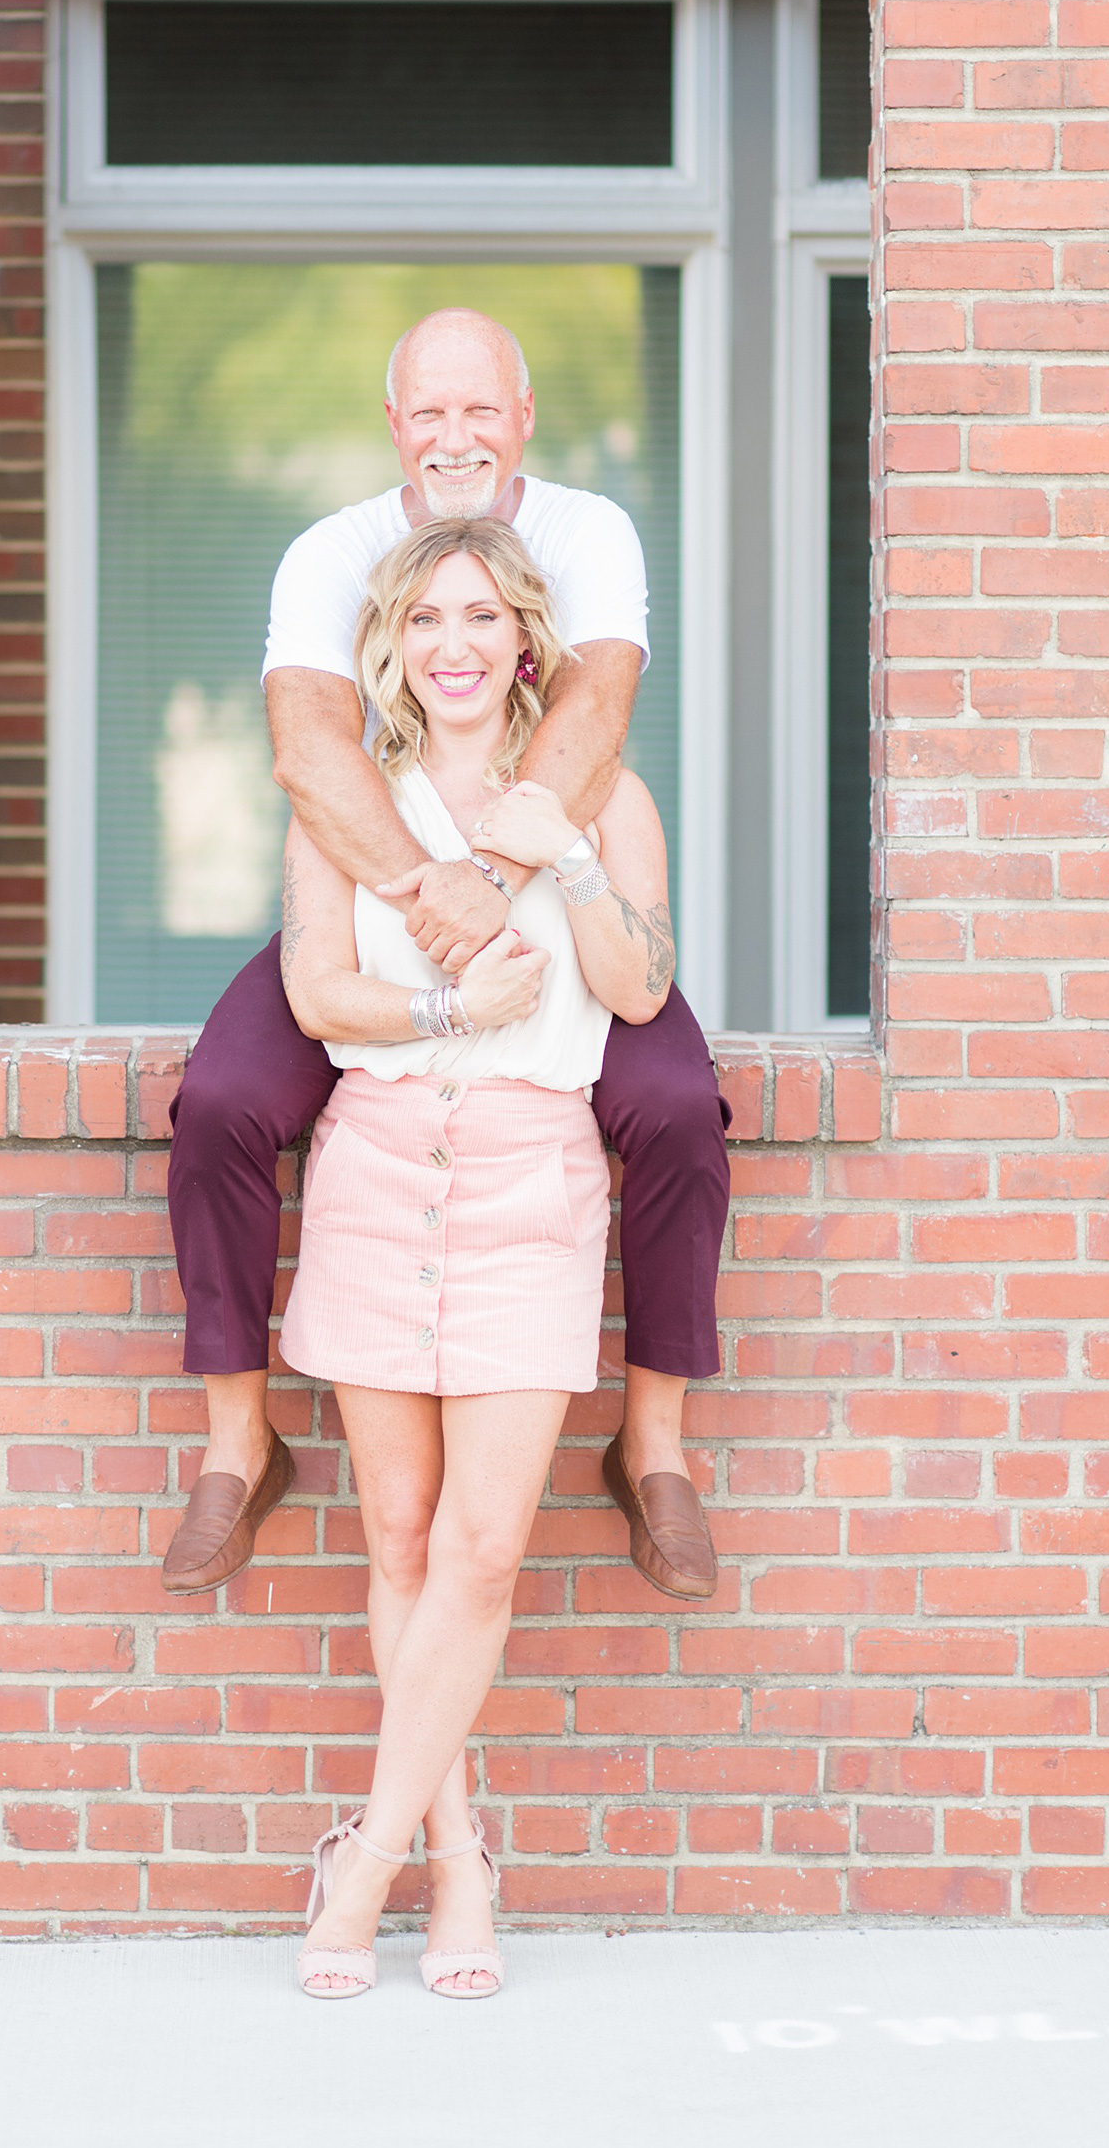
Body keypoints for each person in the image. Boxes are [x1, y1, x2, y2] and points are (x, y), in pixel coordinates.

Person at [162, 307, 731, 1605]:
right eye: (429, 411)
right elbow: (311, 750)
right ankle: (237, 1445)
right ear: (394, 426)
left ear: (524, 418)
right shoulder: (332, 549)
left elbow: (593, 719)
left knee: (680, 1105)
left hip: (542, 885)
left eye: (482, 409)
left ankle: (653, 1447)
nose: (455, 435)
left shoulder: (589, 531)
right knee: (224, 1102)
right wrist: (437, 894)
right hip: (388, 885)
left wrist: (505, 879)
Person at [279, 516, 677, 1999]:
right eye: (425, 617)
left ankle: (366, 1858)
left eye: (483, 616)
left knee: (485, 1549)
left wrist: (565, 856)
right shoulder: (351, 805)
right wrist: (451, 1009)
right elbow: (322, 997)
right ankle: (455, 1860)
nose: (454, 643)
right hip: (382, 1165)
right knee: (398, 1538)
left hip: (529, 1180)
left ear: (529, 643)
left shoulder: (611, 795)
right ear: (397, 644)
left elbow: (637, 989)